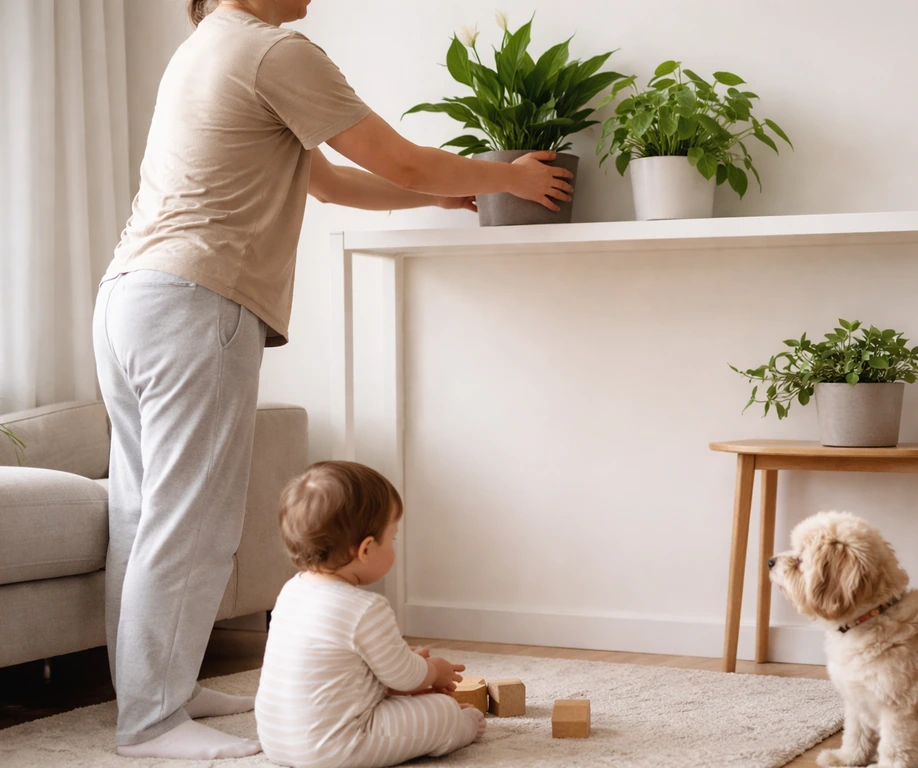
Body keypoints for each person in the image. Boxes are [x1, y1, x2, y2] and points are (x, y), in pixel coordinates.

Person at [92, 0, 572, 759]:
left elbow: (325, 182)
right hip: (196, 298)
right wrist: (506, 174)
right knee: (190, 522)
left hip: (131, 296)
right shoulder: (273, 52)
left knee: (142, 511)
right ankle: (150, 721)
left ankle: (155, 694)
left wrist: (439, 193)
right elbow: (399, 159)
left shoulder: (207, 49)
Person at [256, 462, 483, 768]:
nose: (394, 546)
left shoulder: (291, 592)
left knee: (398, 702)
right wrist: (433, 670)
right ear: (365, 550)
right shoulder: (365, 608)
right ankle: (461, 727)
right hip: (339, 748)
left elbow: (339, 669)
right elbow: (405, 676)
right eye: (392, 538)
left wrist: (398, 661)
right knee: (442, 710)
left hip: (277, 741)